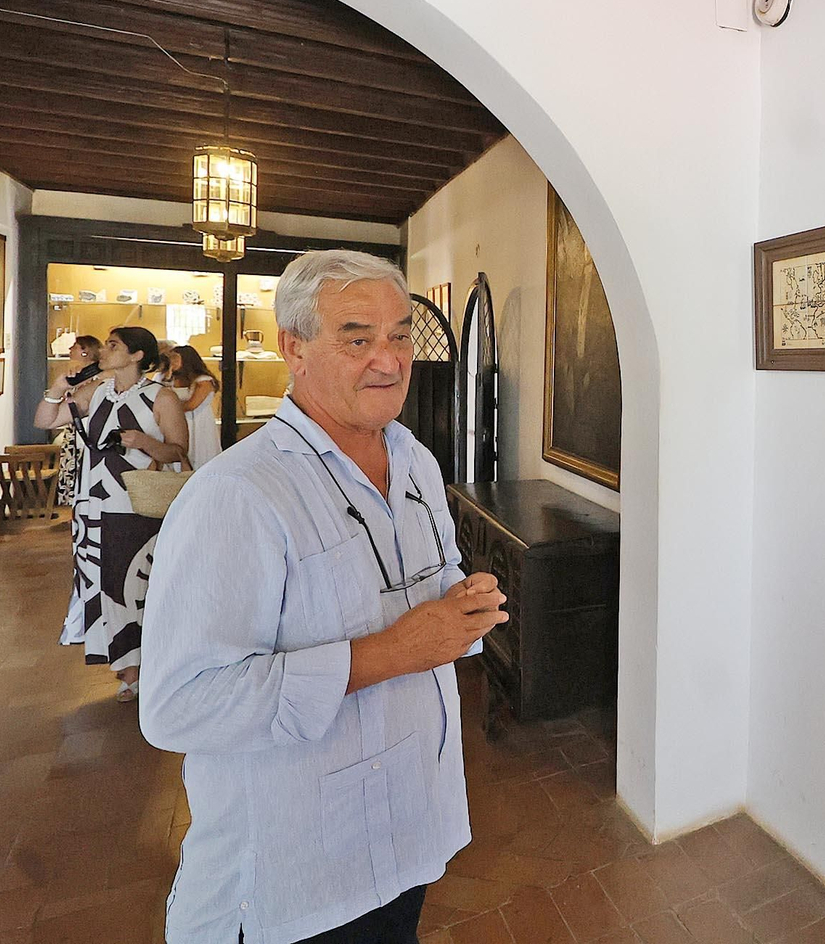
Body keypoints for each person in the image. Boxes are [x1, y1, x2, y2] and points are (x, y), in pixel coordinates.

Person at [140, 250, 507, 944]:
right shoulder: (238, 494)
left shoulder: (417, 461)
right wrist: (394, 650)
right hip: (297, 877)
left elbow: (434, 582)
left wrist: (465, 602)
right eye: (358, 336)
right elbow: (178, 702)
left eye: (400, 334)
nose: (390, 359)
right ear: (294, 347)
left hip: (408, 836)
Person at [36, 326, 187, 701]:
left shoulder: (160, 397)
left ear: (137, 355)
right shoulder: (95, 392)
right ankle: (126, 669)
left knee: (134, 586)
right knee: (99, 584)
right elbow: (45, 420)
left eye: (114, 345)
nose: (104, 350)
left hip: (136, 505)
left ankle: (149, 667)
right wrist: (58, 387)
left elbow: (179, 452)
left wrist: (146, 443)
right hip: (92, 504)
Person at [53, 335, 105, 507]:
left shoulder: (93, 378)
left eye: (74, 346)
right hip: (73, 431)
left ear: (85, 351)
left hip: (84, 432)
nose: (70, 350)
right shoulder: (78, 375)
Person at [170, 344, 223, 468]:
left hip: (197, 423)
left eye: (175, 358)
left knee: (198, 456)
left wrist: (168, 408)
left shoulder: (203, 381)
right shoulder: (171, 379)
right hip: (177, 422)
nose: (172, 362)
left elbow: (192, 404)